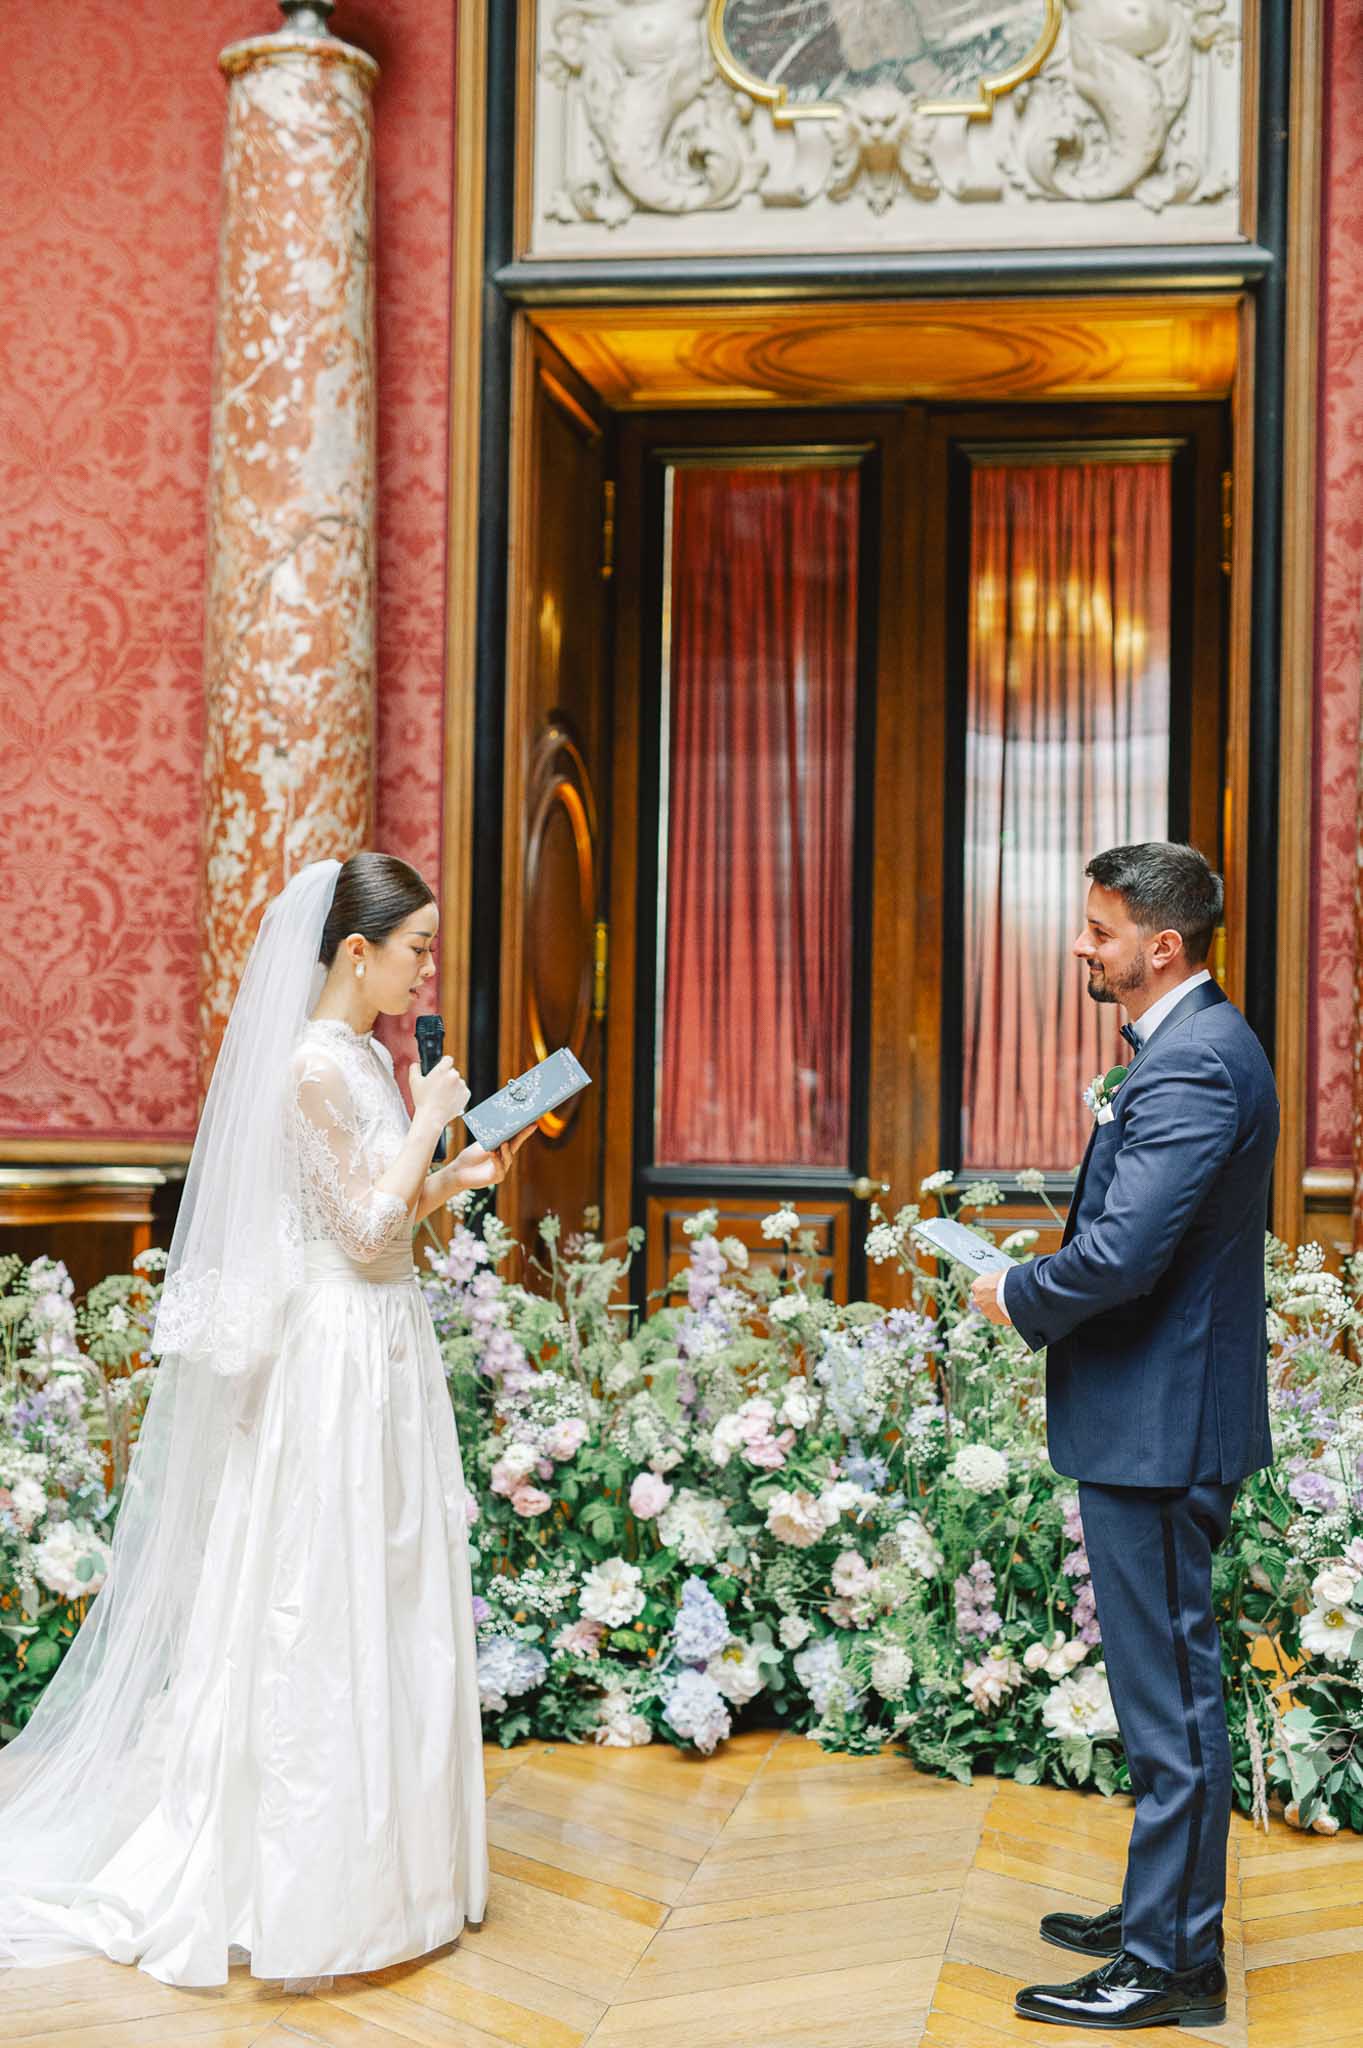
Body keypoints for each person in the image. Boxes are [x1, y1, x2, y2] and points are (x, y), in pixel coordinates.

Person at [0, 853, 530, 1987]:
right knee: (320, 1594)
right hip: (336, 1356)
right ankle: (312, 1883)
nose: (426, 967)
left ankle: (401, 1872)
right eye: (416, 946)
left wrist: (453, 1172)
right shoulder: (310, 1066)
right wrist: (432, 1121)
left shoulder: (361, 1060)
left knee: (388, 1589)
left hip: (382, 1345)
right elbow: (361, 1235)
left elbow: (385, 1215)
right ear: (356, 951)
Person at [970, 842, 1278, 2033]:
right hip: (1152, 1415)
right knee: (1165, 1688)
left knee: (1173, 1703)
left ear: (1163, 944)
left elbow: (1121, 1257)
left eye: (1099, 930)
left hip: (1161, 1425)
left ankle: (1172, 1964)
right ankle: (1161, 1910)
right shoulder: (1187, 1047)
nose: (1082, 946)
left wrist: (1014, 1292)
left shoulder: (1194, 1062)